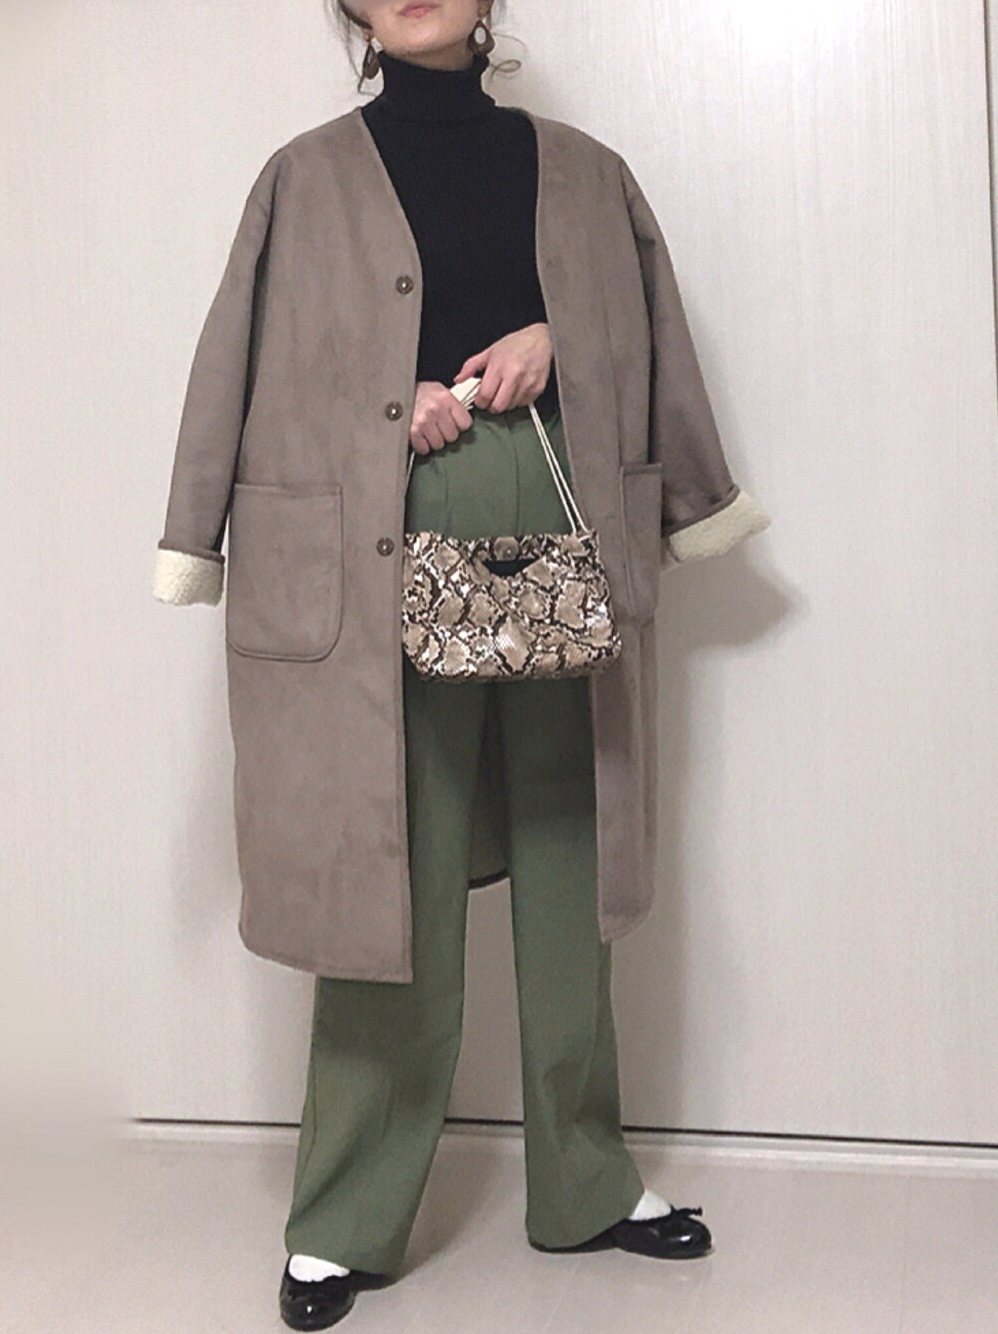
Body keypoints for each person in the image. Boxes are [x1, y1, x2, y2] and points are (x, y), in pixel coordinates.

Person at [277, 3, 713, 1329]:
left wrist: (556, 340)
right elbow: (268, 378)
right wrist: (387, 400)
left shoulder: (585, 171)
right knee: (391, 875)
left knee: (571, 861)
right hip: (390, 560)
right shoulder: (304, 181)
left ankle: (586, 1181)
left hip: (567, 555)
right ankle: (343, 1216)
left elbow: (645, 337)